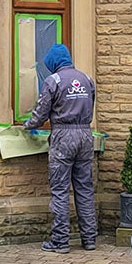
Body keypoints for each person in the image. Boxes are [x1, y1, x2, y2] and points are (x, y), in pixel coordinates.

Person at [24, 43, 97, 253]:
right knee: (84, 189)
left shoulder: (53, 81)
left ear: (54, 62)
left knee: (60, 190)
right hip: (85, 135)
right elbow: (90, 105)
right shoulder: (87, 79)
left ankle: (60, 241)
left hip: (63, 137)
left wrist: (27, 125)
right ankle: (89, 239)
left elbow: (40, 113)